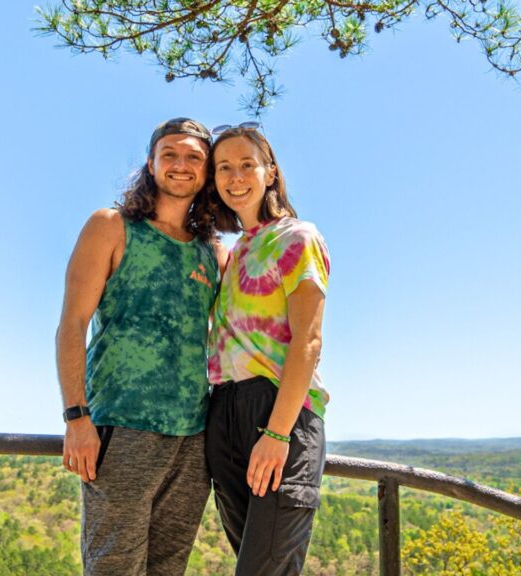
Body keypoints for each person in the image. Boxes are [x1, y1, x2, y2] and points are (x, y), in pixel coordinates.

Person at [55, 118, 224, 575]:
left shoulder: (213, 253)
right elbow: (72, 324)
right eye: (169, 153)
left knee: (168, 569)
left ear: (207, 173)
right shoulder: (111, 227)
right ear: (150, 163)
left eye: (194, 157)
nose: (181, 165)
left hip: (192, 440)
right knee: (114, 566)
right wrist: (76, 418)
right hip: (122, 428)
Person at [205, 123, 331, 575]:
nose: (235, 177)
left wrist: (277, 434)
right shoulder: (233, 252)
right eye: (224, 167)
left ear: (270, 173)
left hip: (281, 411)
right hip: (225, 416)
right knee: (254, 564)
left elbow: (309, 342)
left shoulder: (297, 237)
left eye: (246, 165)